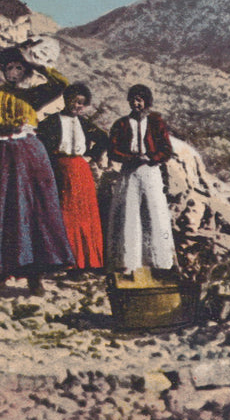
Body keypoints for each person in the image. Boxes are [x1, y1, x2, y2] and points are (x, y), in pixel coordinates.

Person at [0, 91, 74, 294]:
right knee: (4, 213)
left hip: (29, 153)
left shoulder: (29, 95)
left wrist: (36, 64)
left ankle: (35, 276)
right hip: (2, 154)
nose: (14, 72)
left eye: (18, 68)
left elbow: (58, 84)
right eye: (9, 68)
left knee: (37, 213)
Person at [37, 83, 107, 270]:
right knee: (65, 213)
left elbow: (103, 138)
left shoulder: (84, 123)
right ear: (66, 100)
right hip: (60, 170)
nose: (77, 106)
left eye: (81, 104)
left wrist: (91, 156)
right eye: (74, 101)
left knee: (85, 214)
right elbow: (40, 142)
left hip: (81, 171)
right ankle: (66, 260)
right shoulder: (51, 122)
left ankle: (86, 261)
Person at [107, 83, 175, 273]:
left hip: (150, 171)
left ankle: (159, 262)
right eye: (133, 100)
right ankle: (129, 262)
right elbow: (113, 151)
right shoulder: (121, 124)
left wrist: (152, 158)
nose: (136, 104)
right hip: (130, 173)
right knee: (129, 213)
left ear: (147, 101)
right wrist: (130, 158)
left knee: (154, 212)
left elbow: (167, 150)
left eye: (140, 100)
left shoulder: (156, 123)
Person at [0, 44, 67, 118]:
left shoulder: (24, 97)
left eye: (19, 68)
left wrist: (33, 64)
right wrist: (36, 65)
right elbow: (61, 84)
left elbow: (61, 84)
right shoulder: (24, 97)